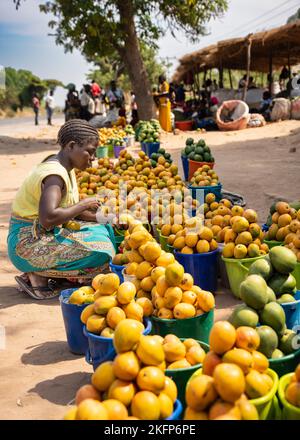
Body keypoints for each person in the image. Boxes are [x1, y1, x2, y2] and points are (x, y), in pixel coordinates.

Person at [8, 119, 116, 300]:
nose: (93, 158)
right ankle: (38, 275)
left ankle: (50, 274)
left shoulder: (64, 167)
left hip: (42, 235)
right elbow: (48, 218)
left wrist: (105, 218)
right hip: (27, 244)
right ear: (72, 146)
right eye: (90, 151)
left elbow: (67, 209)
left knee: (104, 230)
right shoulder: (54, 175)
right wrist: (84, 204)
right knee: (102, 253)